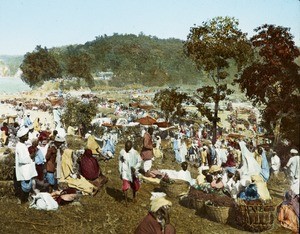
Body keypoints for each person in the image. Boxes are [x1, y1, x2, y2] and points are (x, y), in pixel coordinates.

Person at [14, 127, 37, 203]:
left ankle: (25, 199)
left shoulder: (23, 145)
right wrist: (31, 156)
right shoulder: (20, 146)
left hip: (26, 168)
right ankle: (22, 200)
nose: (27, 137)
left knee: (28, 184)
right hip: (23, 169)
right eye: (26, 135)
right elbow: (22, 160)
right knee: (25, 186)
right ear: (22, 137)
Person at [119, 140, 142, 205]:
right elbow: (120, 161)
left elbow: (139, 162)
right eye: (126, 146)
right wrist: (120, 171)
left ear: (131, 146)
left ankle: (134, 197)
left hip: (132, 173)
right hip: (125, 172)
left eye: (128, 147)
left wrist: (135, 167)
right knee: (125, 187)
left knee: (134, 186)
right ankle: (126, 201)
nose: (126, 148)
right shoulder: (122, 152)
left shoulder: (135, 153)